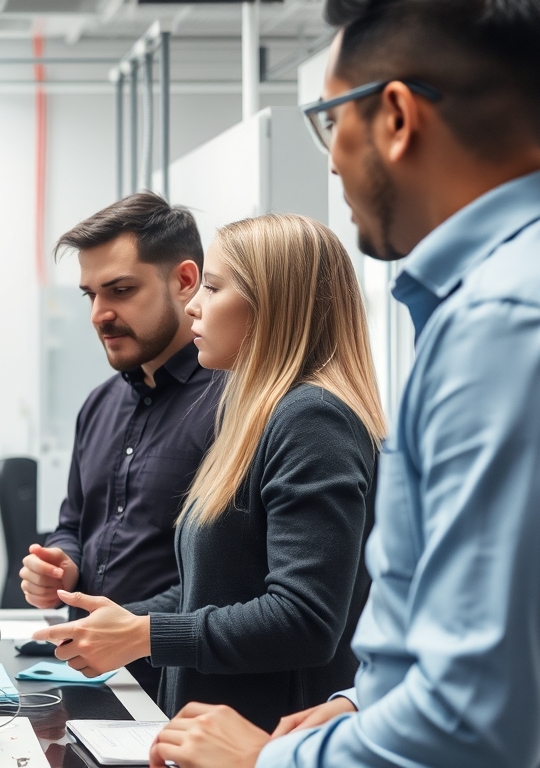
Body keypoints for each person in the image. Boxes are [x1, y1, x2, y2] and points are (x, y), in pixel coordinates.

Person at [147, 1, 540, 766]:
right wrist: (354, 705)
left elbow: (473, 717)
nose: (330, 159)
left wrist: (265, 762)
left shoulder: (510, 325)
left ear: (395, 116)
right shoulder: (504, 301)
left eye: (329, 121)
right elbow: (441, 630)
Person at [34, 213, 385, 732]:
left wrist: (147, 634)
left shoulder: (313, 419)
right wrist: (130, 622)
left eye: (214, 288)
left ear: (272, 305)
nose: (194, 304)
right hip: (208, 731)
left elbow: (304, 619)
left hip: (265, 737)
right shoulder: (259, 414)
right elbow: (215, 586)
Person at [17, 192, 221, 693]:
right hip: (88, 673)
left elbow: (227, 579)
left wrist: (127, 628)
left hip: (180, 683)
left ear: (185, 282)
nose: (99, 314)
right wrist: (63, 565)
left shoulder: (232, 405)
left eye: (121, 290)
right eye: (91, 295)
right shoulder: (99, 404)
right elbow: (73, 521)